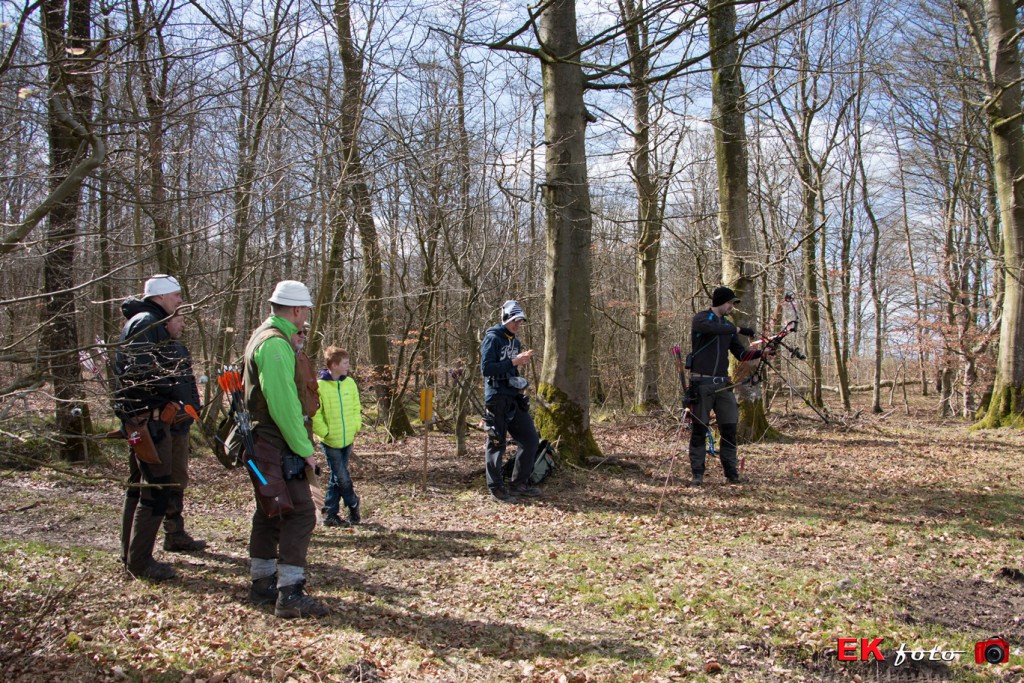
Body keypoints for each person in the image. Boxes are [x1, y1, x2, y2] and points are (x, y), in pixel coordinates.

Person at [243, 280, 328, 619]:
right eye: (305, 310)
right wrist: (303, 447)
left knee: (269, 511)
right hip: (276, 442)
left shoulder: (266, 338)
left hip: (266, 441)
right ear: (295, 310)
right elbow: (284, 405)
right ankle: (289, 594)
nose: (307, 316)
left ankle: (261, 583)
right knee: (300, 512)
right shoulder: (275, 346)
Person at [113, 274, 187, 581]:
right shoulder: (147, 322)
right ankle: (140, 561)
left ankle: (131, 554)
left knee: (141, 485)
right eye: (176, 296)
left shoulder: (148, 322)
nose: (180, 302)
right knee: (155, 488)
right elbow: (141, 374)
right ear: (160, 297)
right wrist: (172, 391)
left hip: (143, 419)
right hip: (148, 421)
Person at [686, 286, 771, 486]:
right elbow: (711, 328)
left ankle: (731, 474)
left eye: (733, 303)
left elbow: (741, 354)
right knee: (699, 430)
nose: (732, 306)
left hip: (723, 385)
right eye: (729, 303)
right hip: (702, 384)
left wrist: (762, 353)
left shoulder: (728, 327)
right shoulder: (701, 319)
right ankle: (697, 474)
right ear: (720, 302)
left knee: (729, 429)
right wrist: (739, 329)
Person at [480, 299, 541, 502]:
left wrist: (520, 383)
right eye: (515, 320)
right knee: (497, 442)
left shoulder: (515, 342)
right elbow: (486, 369)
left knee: (530, 439)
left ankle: (518, 483)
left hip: (513, 397)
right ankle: (496, 487)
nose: (517, 325)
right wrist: (514, 361)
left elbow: (511, 369)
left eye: (520, 321)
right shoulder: (493, 338)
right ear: (506, 318)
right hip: (496, 397)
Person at [162, 313, 208, 552]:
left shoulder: (180, 349)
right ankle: (164, 533)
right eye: (178, 320)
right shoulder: (155, 349)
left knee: (177, 479)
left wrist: (194, 409)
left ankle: (174, 531)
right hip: (161, 426)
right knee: (160, 481)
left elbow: (189, 383)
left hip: (181, 424)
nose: (183, 324)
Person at [312, 346, 363, 527]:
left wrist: (356, 425)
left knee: (336, 476)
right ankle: (354, 503)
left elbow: (357, 407)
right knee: (341, 477)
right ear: (333, 365)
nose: (348, 366)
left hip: (347, 438)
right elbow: (315, 414)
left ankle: (330, 514)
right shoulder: (320, 386)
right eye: (345, 363)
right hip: (330, 441)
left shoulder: (350, 383)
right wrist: (324, 432)